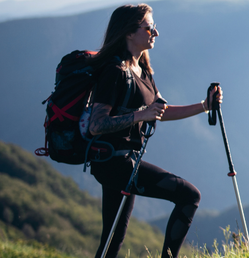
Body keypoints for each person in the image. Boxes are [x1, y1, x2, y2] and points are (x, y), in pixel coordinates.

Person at [87, 4, 222, 258]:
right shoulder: (114, 72)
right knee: (189, 196)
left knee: (113, 238)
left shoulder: (143, 70)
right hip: (113, 162)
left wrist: (205, 106)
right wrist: (141, 115)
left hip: (125, 161)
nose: (156, 33)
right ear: (129, 32)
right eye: (149, 27)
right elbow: (96, 125)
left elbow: (161, 110)